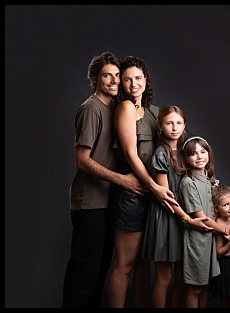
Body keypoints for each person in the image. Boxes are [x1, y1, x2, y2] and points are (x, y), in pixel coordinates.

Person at [65, 51, 142, 308]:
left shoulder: (114, 109)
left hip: (107, 203)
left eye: (117, 75)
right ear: (95, 78)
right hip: (90, 204)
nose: (114, 80)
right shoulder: (91, 109)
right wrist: (123, 180)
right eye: (107, 75)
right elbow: (82, 160)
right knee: (84, 275)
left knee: (99, 272)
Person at [108, 54, 179, 308]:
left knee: (144, 262)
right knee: (124, 265)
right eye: (127, 80)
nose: (133, 84)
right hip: (134, 191)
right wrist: (153, 187)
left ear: (146, 80)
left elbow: (171, 144)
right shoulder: (125, 108)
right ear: (122, 84)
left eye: (138, 78)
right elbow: (129, 153)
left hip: (153, 190)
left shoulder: (153, 112)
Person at [142, 105, 213, 307]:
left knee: (184, 277)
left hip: (188, 216)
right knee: (164, 277)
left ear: (184, 125)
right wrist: (188, 219)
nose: (174, 127)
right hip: (168, 217)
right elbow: (166, 197)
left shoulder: (188, 151)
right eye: (169, 123)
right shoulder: (161, 154)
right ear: (160, 126)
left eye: (179, 123)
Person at [178, 136, 230, 308]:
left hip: (211, 241)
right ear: (186, 159)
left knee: (206, 286)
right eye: (193, 154)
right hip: (197, 241)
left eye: (203, 152)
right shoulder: (189, 182)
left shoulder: (210, 180)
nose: (199, 156)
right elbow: (202, 218)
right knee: (195, 288)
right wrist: (226, 231)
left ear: (209, 154)